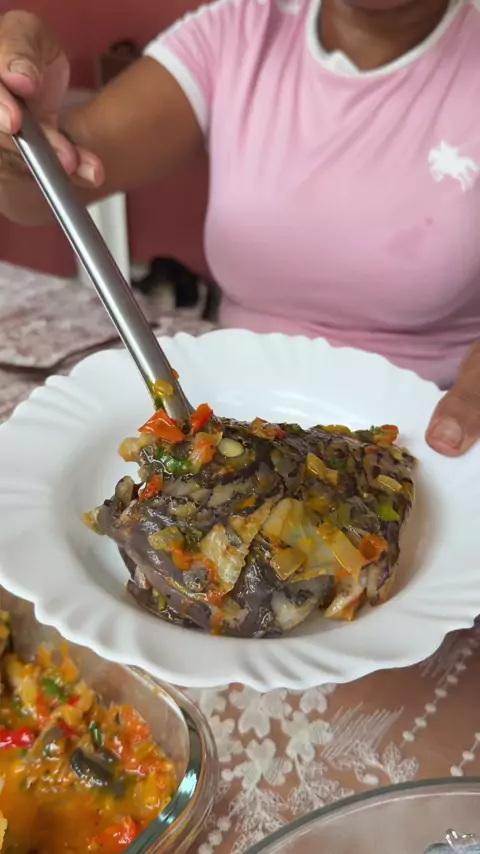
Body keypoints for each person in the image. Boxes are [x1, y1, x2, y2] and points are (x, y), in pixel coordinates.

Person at [0, 1, 479, 456]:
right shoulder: (236, 32)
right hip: (235, 408)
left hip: (429, 430)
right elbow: (42, 190)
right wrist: (22, 134)